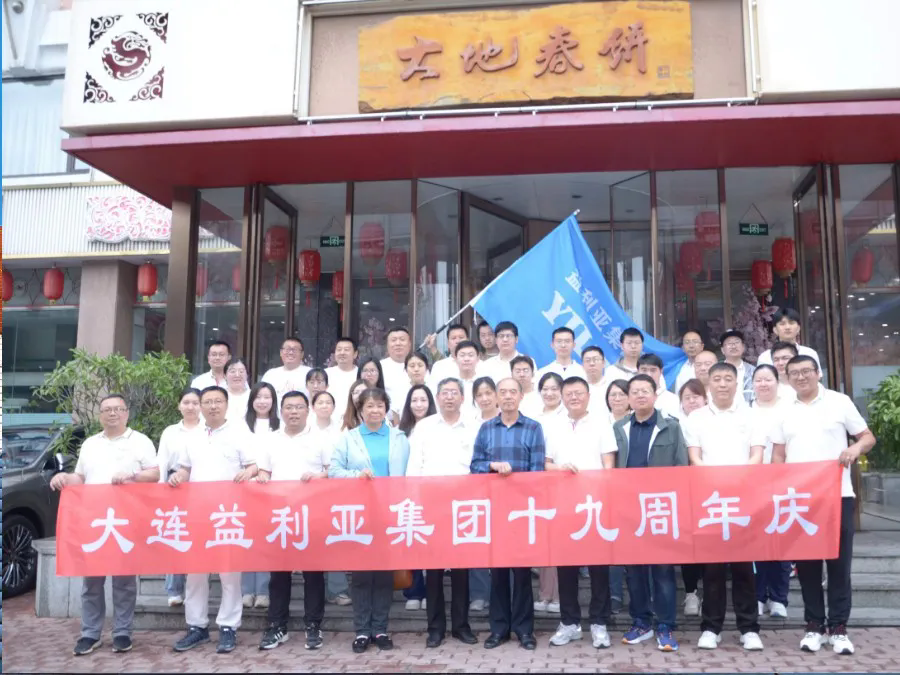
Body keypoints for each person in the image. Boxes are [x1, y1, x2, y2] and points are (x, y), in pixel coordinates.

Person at [767, 355, 875, 656]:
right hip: (799, 501)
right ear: (787, 377)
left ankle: (839, 628)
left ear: (818, 373)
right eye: (794, 373)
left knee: (839, 565)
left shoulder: (839, 402)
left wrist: (854, 449)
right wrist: (776, 486)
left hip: (837, 495)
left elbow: (867, 437)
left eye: (806, 371)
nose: (801, 377)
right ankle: (814, 626)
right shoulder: (783, 409)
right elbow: (778, 455)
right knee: (807, 566)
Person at [50, 394, 159, 656]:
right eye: (107, 409)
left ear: (127, 413)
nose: (112, 413)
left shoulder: (140, 441)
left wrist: (132, 475)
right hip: (95, 520)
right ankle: (90, 633)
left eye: (118, 409)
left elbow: (155, 474)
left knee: (124, 581)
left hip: (127, 521)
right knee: (92, 581)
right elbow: (81, 477)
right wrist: (64, 478)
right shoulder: (90, 444)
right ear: (100, 415)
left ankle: (122, 632)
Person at [168, 386, 257, 654]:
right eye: (207, 402)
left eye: (218, 401)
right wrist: (178, 477)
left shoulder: (240, 432)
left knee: (229, 572)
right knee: (196, 572)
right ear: (200, 406)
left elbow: (254, 465)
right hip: (198, 513)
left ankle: (228, 626)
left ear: (227, 405)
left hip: (229, 514)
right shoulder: (193, 436)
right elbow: (185, 468)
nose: (213, 406)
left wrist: (248, 473)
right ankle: (197, 626)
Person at [683, 362, 764, 652]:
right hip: (710, 500)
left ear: (736, 382)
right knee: (712, 569)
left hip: (743, 499)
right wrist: (716, 480)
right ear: (708, 384)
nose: (722, 384)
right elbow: (695, 457)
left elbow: (757, 455)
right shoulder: (696, 418)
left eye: (728, 378)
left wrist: (737, 479)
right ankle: (711, 628)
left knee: (744, 568)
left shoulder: (752, 416)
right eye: (716, 378)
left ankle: (749, 628)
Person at [330, 388, 410, 653]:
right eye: (369, 406)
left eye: (379, 406)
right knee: (362, 574)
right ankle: (362, 631)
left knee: (385, 574)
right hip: (360, 514)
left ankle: (380, 629)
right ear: (360, 410)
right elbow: (334, 470)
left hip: (390, 512)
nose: (375, 410)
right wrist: (356, 475)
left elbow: (409, 473)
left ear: (386, 409)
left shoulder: (399, 438)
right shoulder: (349, 438)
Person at [613, 375, 687, 653]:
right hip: (629, 510)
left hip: (661, 508)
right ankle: (641, 622)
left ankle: (665, 625)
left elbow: (681, 467)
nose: (640, 395)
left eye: (645, 390)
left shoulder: (671, 427)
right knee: (634, 571)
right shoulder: (619, 427)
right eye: (635, 391)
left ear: (655, 395)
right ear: (628, 398)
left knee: (663, 570)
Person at [471, 377, 546, 651]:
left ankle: (525, 631)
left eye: (513, 391)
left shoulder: (533, 428)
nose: (507, 396)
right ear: (496, 397)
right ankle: (499, 629)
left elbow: (537, 472)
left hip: (523, 512)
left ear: (521, 396)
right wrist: (492, 466)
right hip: (495, 510)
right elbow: (475, 466)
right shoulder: (486, 428)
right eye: (502, 392)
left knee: (522, 574)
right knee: (499, 573)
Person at [545, 376, 617, 650]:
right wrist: (561, 469)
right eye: (569, 394)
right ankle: (569, 622)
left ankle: (599, 623)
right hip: (563, 506)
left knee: (599, 567)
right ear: (562, 397)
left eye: (579, 393)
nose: (574, 397)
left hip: (595, 505)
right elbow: (545, 464)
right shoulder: (553, 425)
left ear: (588, 395)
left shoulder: (601, 423)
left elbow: (609, 465)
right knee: (566, 568)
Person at [407, 377, 478, 648]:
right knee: (434, 570)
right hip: (431, 504)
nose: (449, 397)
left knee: (461, 569)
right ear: (437, 398)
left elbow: (478, 464)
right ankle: (435, 628)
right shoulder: (424, 427)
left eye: (454, 392)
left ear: (462, 398)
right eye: (444, 393)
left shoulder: (473, 426)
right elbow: (414, 466)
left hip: (463, 505)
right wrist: (415, 500)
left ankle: (461, 626)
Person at [256, 391, 329, 651]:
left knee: (313, 574)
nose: (294, 412)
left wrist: (318, 477)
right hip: (281, 517)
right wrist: (262, 477)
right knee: (279, 575)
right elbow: (264, 470)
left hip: (312, 515)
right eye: (288, 407)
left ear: (308, 410)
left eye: (299, 407)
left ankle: (314, 625)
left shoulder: (321, 438)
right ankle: (277, 626)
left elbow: (331, 472)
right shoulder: (270, 439)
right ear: (281, 411)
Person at [749, 364, 792, 618]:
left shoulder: (789, 409)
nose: (763, 384)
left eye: (768, 379)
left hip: (783, 484)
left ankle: (778, 598)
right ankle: (757, 596)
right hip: (752, 484)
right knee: (755, 544)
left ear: (777, 381)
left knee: (780, 541)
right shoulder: (745, 411)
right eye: (758, 380)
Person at [157, 387, 203, 608]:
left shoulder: (208, 430)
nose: (191, 407)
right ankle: (174, 590)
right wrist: (160, 489)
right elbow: (162, 460)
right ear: (179, 405)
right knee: (176, 534)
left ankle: (197, 590)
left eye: (195, 403)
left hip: (202, 485)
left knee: (199, 535)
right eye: (186, 402)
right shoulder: (170, 432)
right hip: (174, 485)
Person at [308, 390, 352, 607]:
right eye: (320, 402)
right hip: (306, 493)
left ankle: (337, 590)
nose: (324, 406)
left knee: (334, 539)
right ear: (312, 406)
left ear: (334, 407)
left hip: (335, 491)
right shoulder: (305, 430)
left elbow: (344, 463)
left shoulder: (342, 432)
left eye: (328, 402)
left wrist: (324, 475)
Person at [239, 382, 279, 609]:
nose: (263, 401)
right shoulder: (240, 425)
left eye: (267, 397)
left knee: (265, 540)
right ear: (251, 400)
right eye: (258, 397)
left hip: (271, 489)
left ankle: (263, 591)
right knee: (248, 541)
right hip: (245, 489)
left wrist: (264, 471)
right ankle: (247, 591)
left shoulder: (280, 425)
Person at [677, 377, 707, 615]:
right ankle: (691, 594)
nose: (692, 401)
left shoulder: (714, 422)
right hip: (684, 493)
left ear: (705, 399)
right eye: (687, 398)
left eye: (696, 397)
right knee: (689, 545)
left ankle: (711, 593)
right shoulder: (675, 426)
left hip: (712, 491)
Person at [467, 376, 497, 613]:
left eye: (488, 393)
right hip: (475, 489)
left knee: (502, 544)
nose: (484, 398)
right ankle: (478, 593)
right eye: (480, 395)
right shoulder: (469, 423)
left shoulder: (507, 419)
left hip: (504, 490)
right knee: (476, 541)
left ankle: (499, 594)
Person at [604, 379, 631, 614]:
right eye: (613, 394)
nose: (617, 398)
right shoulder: (600, 423)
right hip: (607, 494)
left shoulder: (636, 423)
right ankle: (614, 595)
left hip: (633, 493)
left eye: (622, 394)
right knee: (612, 547)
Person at [756, 307, 822, 370]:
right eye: (782, 324)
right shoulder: (765, 358)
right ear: (775, 330)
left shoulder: (809, 353)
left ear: (798, 328)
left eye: (791, 323)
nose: (787, 327)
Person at [262, 337, 311, 408]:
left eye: (295, 349)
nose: (291, 352)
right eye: (287, 349)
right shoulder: (270, 374)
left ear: (302, 354)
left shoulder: (310, 373)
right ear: (281, 352)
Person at [380, 326, 413, 419]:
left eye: (402, 339)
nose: (398, 343)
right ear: (387, 345)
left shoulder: (418, 365)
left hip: (414, 420)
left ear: (409, 344)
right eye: (393, 340)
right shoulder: (379, 367)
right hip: (386, 422)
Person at [326, 336, 359, 424]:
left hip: (354, 422)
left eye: (346, 350)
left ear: (355, 354)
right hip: (329, 423)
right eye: (339, 349)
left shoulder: (361, 374)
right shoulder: (326, 374)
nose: (342, 352)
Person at [637, 354, 680, 420]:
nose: (649, 374)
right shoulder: (631, 397)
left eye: (653, 370)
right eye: (644, 370)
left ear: (661, 371)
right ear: (638, 371)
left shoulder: (673, 399)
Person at [720, 329, 755, 403]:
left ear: (743, 347)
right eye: (729, 343)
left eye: (737, 342)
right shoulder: (716, 371)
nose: (733, 346)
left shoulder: (753, 371)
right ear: (722, 350)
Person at [223, 358, 251, 423]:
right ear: (224, 376)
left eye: (241, 371)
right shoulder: (219, 396)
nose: (237, 375)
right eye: (233, 371)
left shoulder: (254, 396)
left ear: (247, 375)